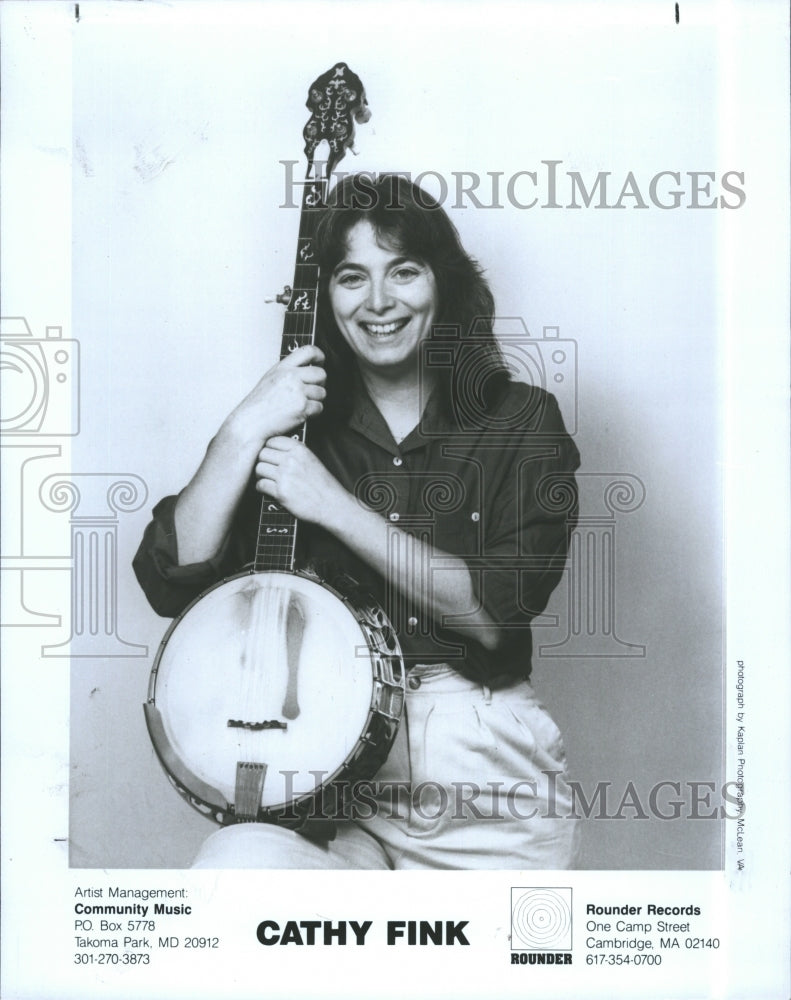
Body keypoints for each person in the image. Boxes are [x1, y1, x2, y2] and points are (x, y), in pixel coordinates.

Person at [133, 173, 581, 869]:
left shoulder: (519, 421)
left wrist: (333, 506)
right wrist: (243, 427)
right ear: (325, 297)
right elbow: (170, 578)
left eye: (403, 271)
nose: (377, 302)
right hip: (330, 780)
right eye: (351, 277)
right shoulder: (296, 431)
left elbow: (492, 613)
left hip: (484, 778)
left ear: (444, 282)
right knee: (234, 872)